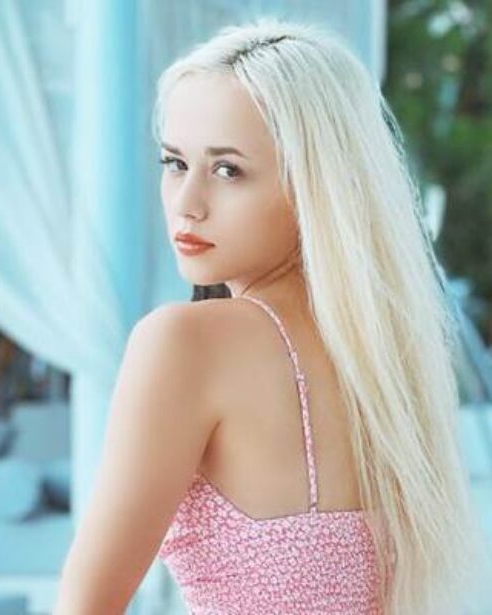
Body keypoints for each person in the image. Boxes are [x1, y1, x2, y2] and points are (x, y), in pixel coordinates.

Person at [53, 18, 490, 615]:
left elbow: (84, 606)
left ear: (314, 185)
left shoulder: (185, 343)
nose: (187, 204)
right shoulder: (390, 365)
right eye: (175, 162)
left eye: (227, 170)